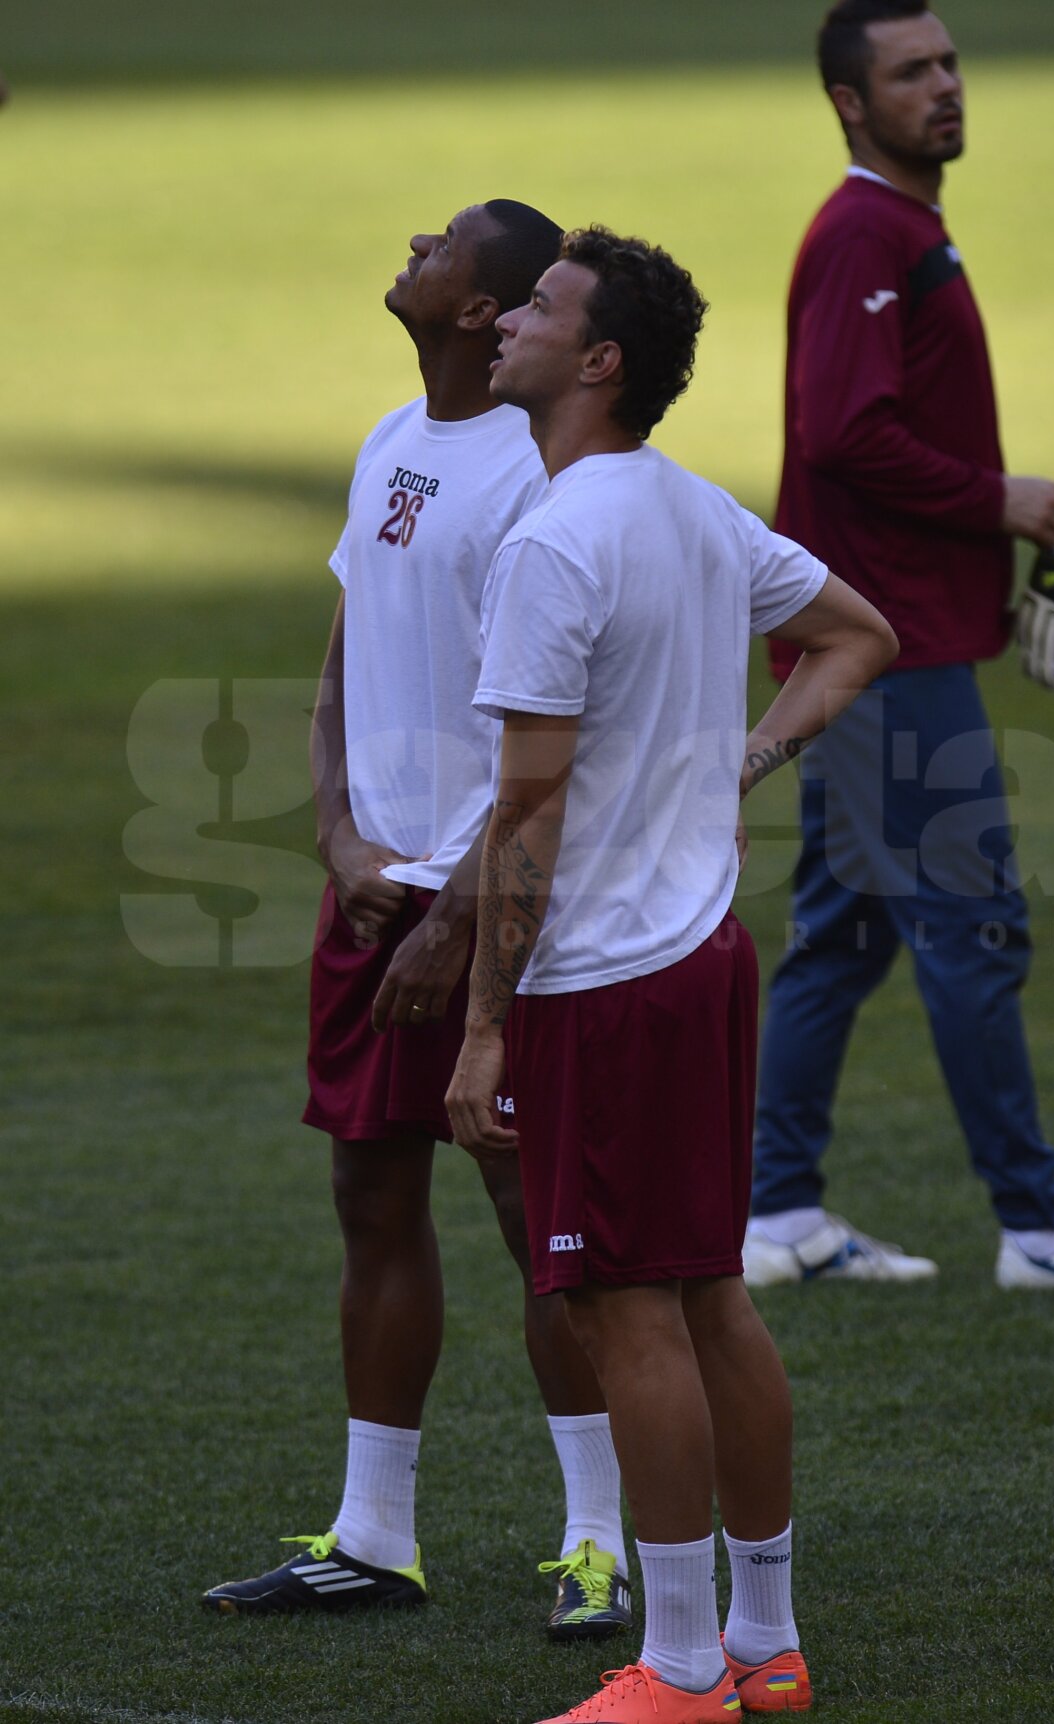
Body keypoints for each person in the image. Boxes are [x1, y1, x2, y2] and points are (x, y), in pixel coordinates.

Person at [447, 226, 898, 1722]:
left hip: (605, 978)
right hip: (706, 956)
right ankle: (767, 1647)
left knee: (629, 1311)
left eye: (542, 307)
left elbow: (526, 811)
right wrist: (737, 767)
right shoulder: (698, 513)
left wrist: (482, 1033)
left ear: (599, 362)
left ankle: (682, 1665)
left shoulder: (554, 540)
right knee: (712, 1301)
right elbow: (858, 636)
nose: (505, 317)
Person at [202, 200, 633, 1640]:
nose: (414, 243)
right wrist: (333, 833)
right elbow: (339, 665)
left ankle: (599, 1544)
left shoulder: (532, 475)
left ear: (478, 308)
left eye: (441, 241)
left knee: (537, 1218)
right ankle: (374, 1537)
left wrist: (458, 906)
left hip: (493, 904)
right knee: (371, 1196)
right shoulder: (392, 438)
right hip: (372, 894)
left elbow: (554, 729)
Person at [743, 0, 1054, 1295]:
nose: (944, 87)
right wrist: (1001, 499)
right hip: (880, 649)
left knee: (846, 936)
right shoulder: (862, 236)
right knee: (975, 928)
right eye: (910, 73)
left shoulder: (903, 225)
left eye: (949, 64)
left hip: (893, 631)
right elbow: (844, 433)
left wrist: (1004, 527)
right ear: (848, 99)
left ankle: (778, 1215)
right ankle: (1041, 1231)